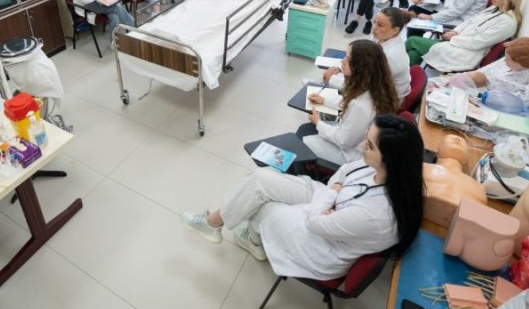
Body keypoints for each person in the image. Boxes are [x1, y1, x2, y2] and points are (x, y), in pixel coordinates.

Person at [180, 115, 425, 279]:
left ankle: (252, 240)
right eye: (365, 138)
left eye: (369, 145)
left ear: (392, 159)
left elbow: (315, 223)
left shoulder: (377, 213)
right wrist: (334, 192)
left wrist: (333, 194)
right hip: (329, 203)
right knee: (260, 179)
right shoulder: (377, 167)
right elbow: (342, 172)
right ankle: (216, 224)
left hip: (322, 246)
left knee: (262, 205)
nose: (362, 146)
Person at [299, 40, 399, 165]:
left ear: (361, 67)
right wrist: (325, 100)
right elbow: (350, 102)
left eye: (348, 59)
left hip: (351, 154)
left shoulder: (361, 106)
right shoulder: (375, 86)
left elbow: (343, 141)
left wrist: (318, 122)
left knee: (302, 141)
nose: (342, 62)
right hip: (355, 139)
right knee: (306, 129)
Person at [407, 0, 522, 71]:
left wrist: (453, 38)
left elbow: (477, 42)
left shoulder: (508, 22)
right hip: (458, 43)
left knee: (412, 41)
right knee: (413, 52)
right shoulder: (494, 9)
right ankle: (409, 82)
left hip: (465, 54)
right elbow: (470, 21)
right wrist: (455, 31)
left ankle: (399, 80)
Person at [322, 7, 412, 102]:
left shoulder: (391, 56)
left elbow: (365, 87)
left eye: (380, 25)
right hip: (373, 85)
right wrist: (339, 67)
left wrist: (332, 80)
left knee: (329, 92)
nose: (374, 28)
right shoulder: (380, 37)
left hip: (387, 99)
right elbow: (361, 57)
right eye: (374, 22)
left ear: (395, 30)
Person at [455, 37, 529, 104]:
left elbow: (519, 102)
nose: (505, 61)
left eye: (508, 59)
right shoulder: (506, 62)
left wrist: (484, 97)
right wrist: (462, 76)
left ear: (521, 63)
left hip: (487, 101)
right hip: (473, 87)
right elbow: (481, 71)